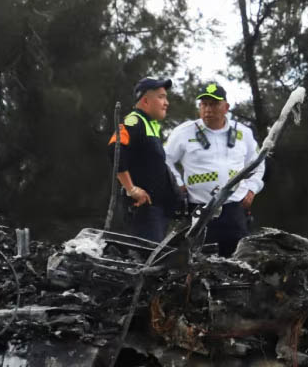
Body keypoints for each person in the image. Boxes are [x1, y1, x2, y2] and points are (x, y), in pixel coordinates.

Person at [164, 82, 263, 256]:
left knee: (238, 260)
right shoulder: (184, 132)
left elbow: (257, 163)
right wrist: (178, 184)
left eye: (214, 104)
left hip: (234, 209)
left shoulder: (243, 133)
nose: (208, 109)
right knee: (198, 260)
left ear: (226, 107)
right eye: (204, 104)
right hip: (199, 210)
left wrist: (251, 188)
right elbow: (165, 160)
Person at [108, 77, 177, 242]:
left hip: (157, 209)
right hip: (143, 209)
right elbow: (114, 149)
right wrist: (131, 189)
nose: (166, 102)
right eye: (161, 97)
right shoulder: (134, 121)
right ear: (145, 101)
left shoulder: (150, 124)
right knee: (146, 259)